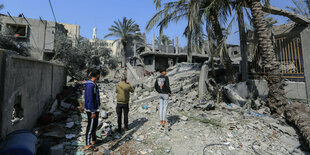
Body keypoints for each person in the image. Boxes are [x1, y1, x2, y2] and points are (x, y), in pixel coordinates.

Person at [83, 69, 101, 151]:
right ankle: (87, 144)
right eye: (99, 75)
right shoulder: (90, 85)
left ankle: (94, 140)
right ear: (97, 75)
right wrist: (93, 111)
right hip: (91, 110)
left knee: (94, 125)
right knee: (90, 126)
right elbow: (90, 99)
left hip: (95, 108)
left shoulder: (93, 84)